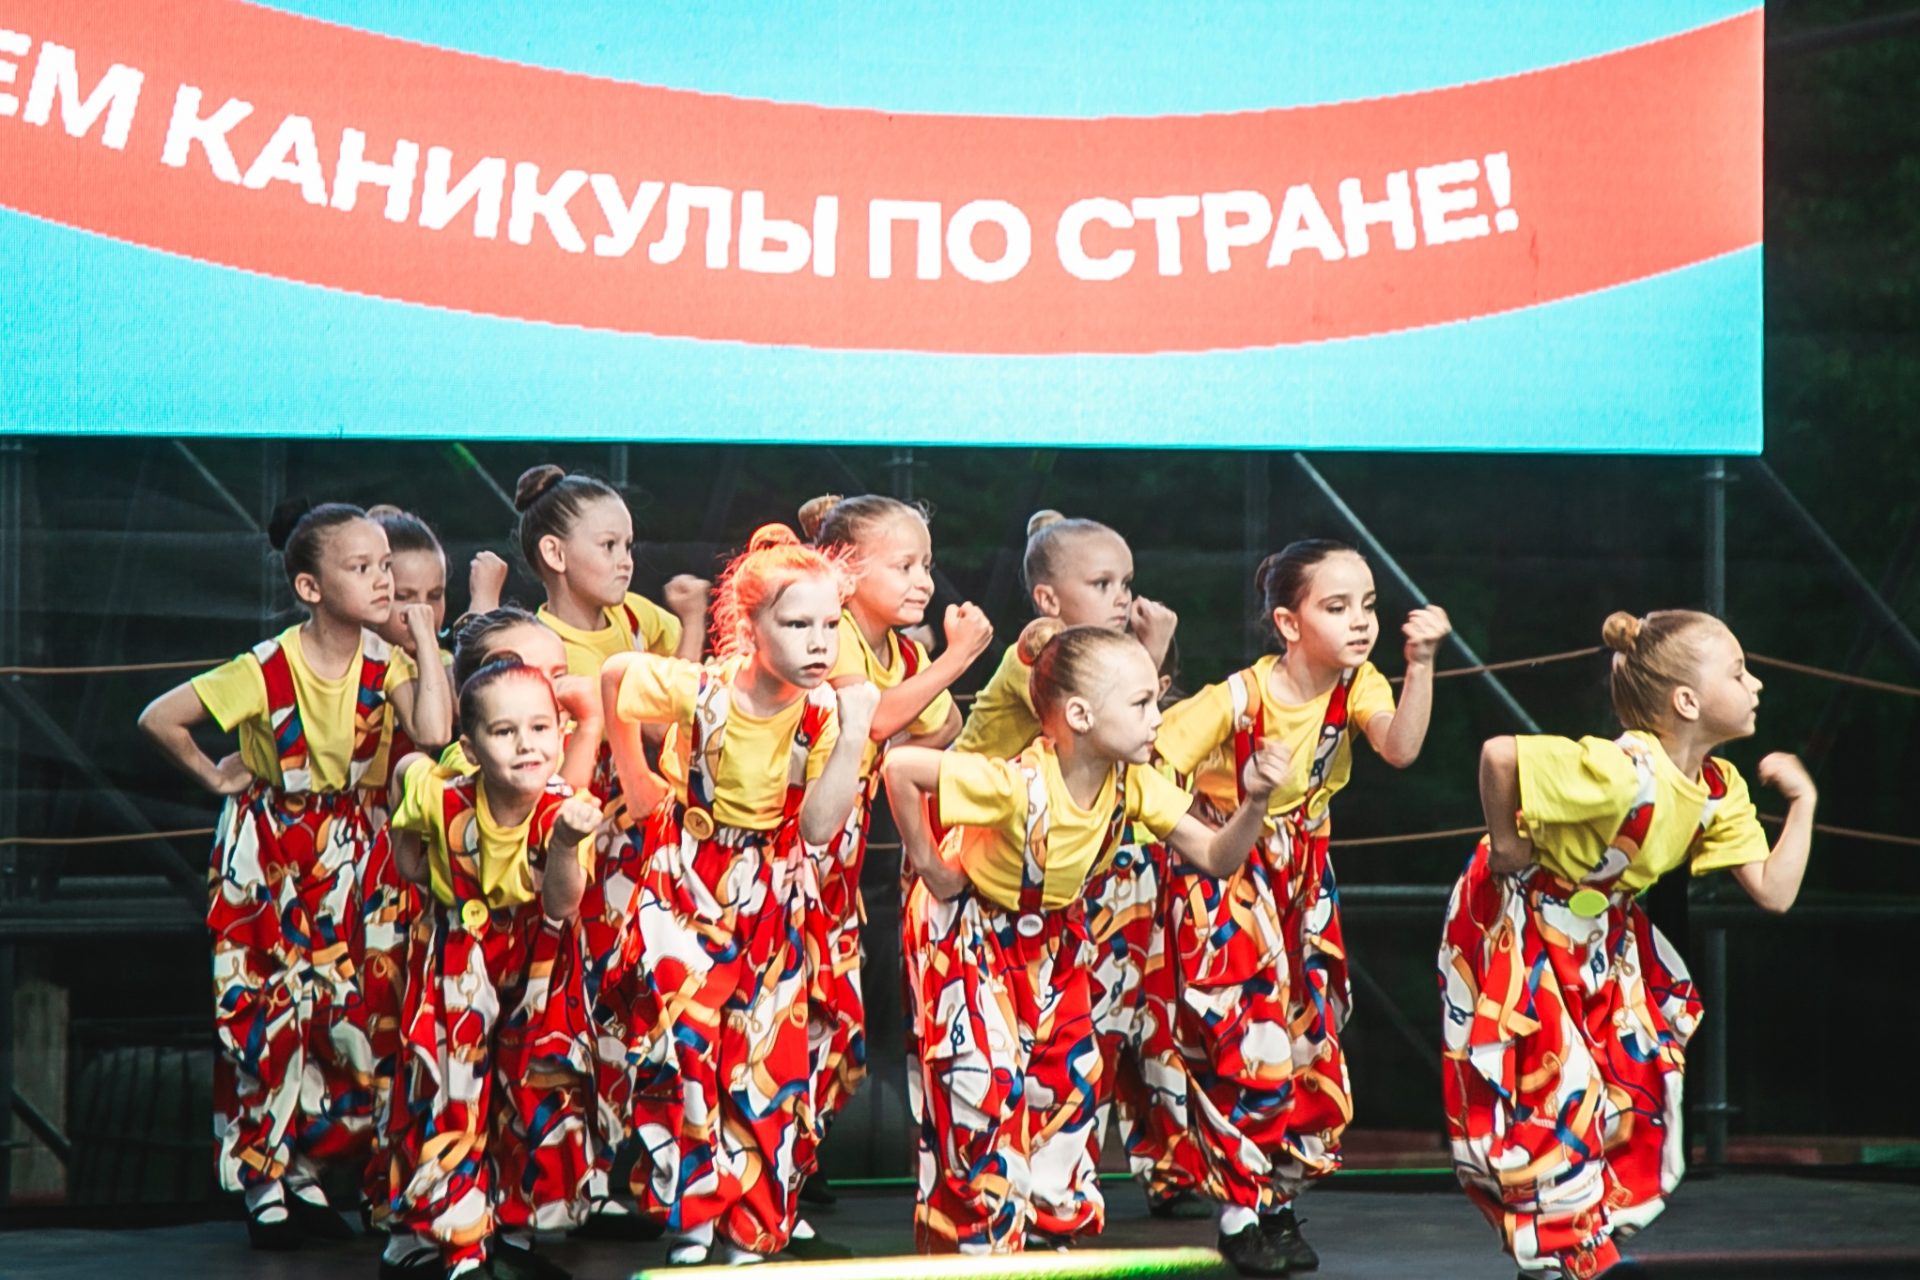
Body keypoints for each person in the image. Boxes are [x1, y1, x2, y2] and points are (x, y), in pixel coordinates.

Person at [882, 619, 1287, 1254]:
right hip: (973, 937)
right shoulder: (1017, 786)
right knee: (982, 1088)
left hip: (1055, 943)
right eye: (1141, 703)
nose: (1157, 718)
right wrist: (931, 866)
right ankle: (976, 1249)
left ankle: (1047, 1237)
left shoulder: (1133, 783)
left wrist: (1255, 802)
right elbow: (901, 766)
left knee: (1069, 1081)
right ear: (1079, 715)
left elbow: (1214, 855)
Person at [1440, 610, 1816, 1279]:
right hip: (1522, 919)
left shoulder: (1716, 791)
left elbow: (1774, 890)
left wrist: (1804, 802)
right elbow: (1500, 756)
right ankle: (1566, 1256)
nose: (1755, 684)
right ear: (1687, 701)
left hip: (1597, 935)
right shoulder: (1622, 770)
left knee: (1633, 1076)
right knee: (1554, 1088)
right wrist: (1507, 844)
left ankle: (1581, 1239)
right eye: (1739, 673)